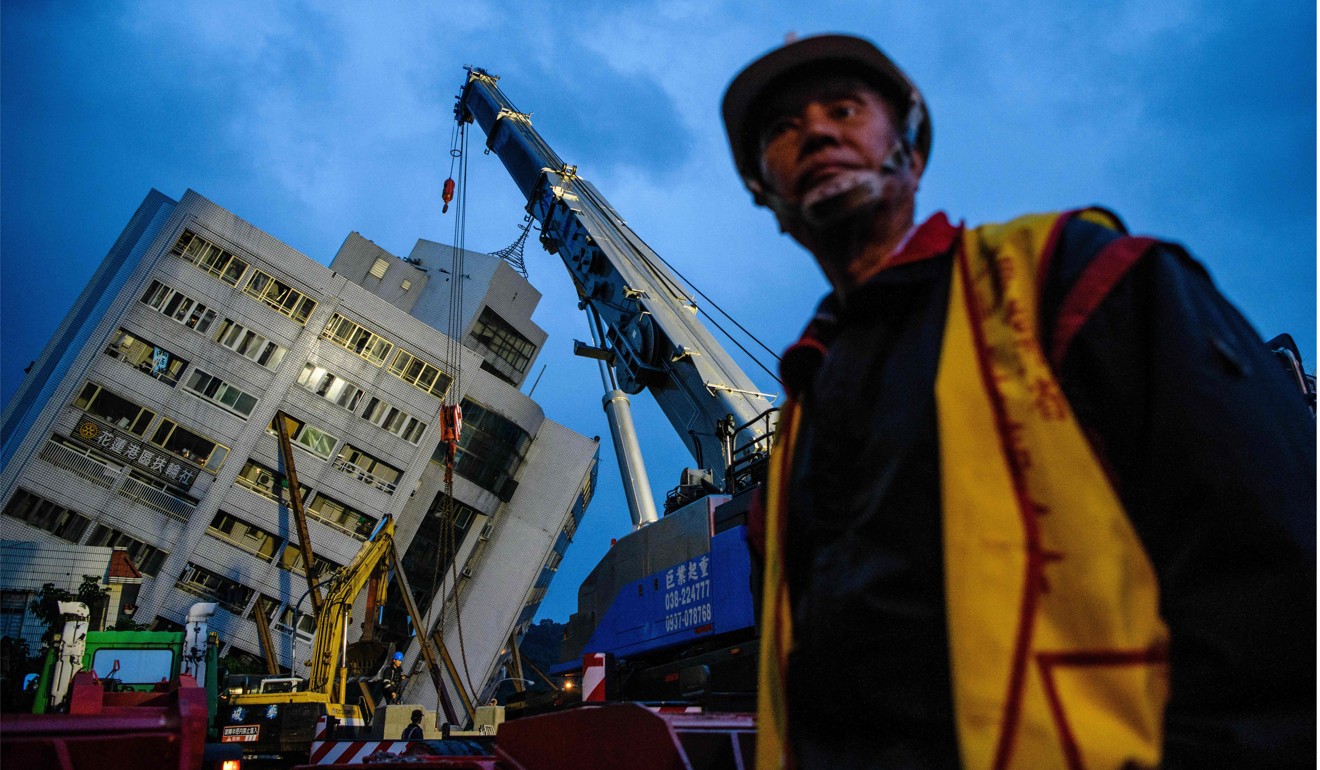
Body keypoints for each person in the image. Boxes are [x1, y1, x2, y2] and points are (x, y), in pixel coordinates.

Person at [720, 34, 1316, 770]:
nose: (813, 130)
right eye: (780, 129)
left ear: (911, 147)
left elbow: (1279, 581)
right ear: (763, 193)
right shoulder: (787, 458)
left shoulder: (1074, 284)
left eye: (845, 108)